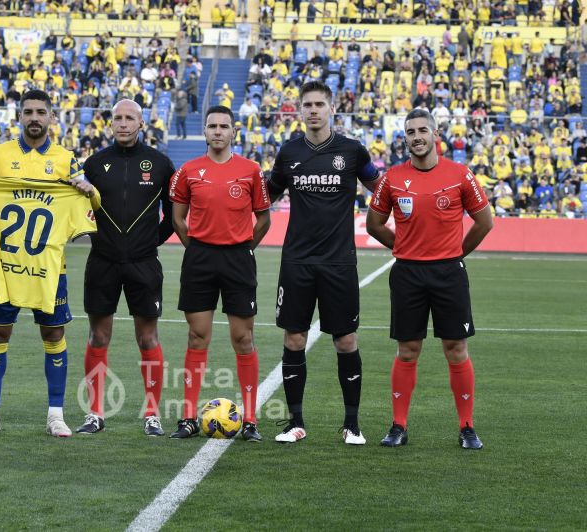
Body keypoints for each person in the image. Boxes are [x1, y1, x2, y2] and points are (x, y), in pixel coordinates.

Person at [0, 89, 100, 438]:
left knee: (53, 334)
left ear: (52, 117)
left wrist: (89, 190)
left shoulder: (67, 159)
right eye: (28, 112)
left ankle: (56, 414)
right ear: (19, 116)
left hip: (50, 268)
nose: (34, 117)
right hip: (5, 266)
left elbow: (93, 206)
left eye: (41, 112)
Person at [366, 107, 493, 450]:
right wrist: (402, 245)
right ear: (405, 138)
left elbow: (485, 222)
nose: (417, 137)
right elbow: (373, 225)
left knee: (456, 348)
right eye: (411, 132)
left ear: (436, 135)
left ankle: (467, 427)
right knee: (408, 350)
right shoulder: (392, 177)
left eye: (423, 130)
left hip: (449, 272)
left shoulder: (460, 175)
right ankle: (398, 426)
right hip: (407, 273)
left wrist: (457, 253)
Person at [267, 80, 381, 445]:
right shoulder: (288, 152)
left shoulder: (352, 151)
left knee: (345, 340)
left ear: (332, 109)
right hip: (297, 260)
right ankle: (295, 423)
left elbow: (381, 189)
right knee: (294, 337)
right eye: (307, 105)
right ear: (300, 111)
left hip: (339, 262)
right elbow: (266, 196)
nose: (313, 110)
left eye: (319, 104)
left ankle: (352, 425)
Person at [168, 105, 271, 441]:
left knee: (243, 338)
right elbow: (178, 219)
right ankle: (187, 417)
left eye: (223, 126)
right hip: (200, 258)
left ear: (233, 132)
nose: (217, 131)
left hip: (238, 259)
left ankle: (251, 419)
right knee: (198, 336)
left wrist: (244, 249)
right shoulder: (189, 171)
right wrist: (196, 248)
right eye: (211, 126)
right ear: (205, 131)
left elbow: (264, 219)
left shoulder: (251, 170)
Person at [76, 99, 176, 437]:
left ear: (141, 123)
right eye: (117, 118)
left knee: (147, 337)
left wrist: (150, 243)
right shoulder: (94, 164)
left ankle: (152, 413)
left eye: (129, 118)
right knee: (98, 335)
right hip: (102, 262)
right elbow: (78, 211)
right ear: (110, 123)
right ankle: (95, 413)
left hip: (144, 264)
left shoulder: (161, 164)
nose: (123, 123)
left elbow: (173, 218)